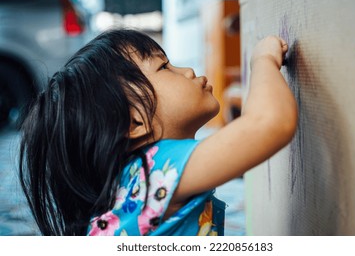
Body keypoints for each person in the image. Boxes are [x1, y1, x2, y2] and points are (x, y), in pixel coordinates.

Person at [18, 29, 297, 236]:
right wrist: (262, 61)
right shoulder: (155, 171)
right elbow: (269, 124)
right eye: (164, 67)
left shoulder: (129, 186)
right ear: (135, 123)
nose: (187, 71)